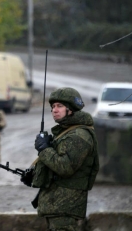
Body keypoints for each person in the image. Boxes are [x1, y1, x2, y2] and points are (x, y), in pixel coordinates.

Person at [23, 87, 99, 231]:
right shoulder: (66, 133)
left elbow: (65, 167)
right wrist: (35, 175)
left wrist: (44, 149)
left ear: (71, 109)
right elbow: (55, 167)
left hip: (65, 207)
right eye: (53, 106)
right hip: (57, 206)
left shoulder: (79, 136)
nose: (54, 110)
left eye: (60, 106)